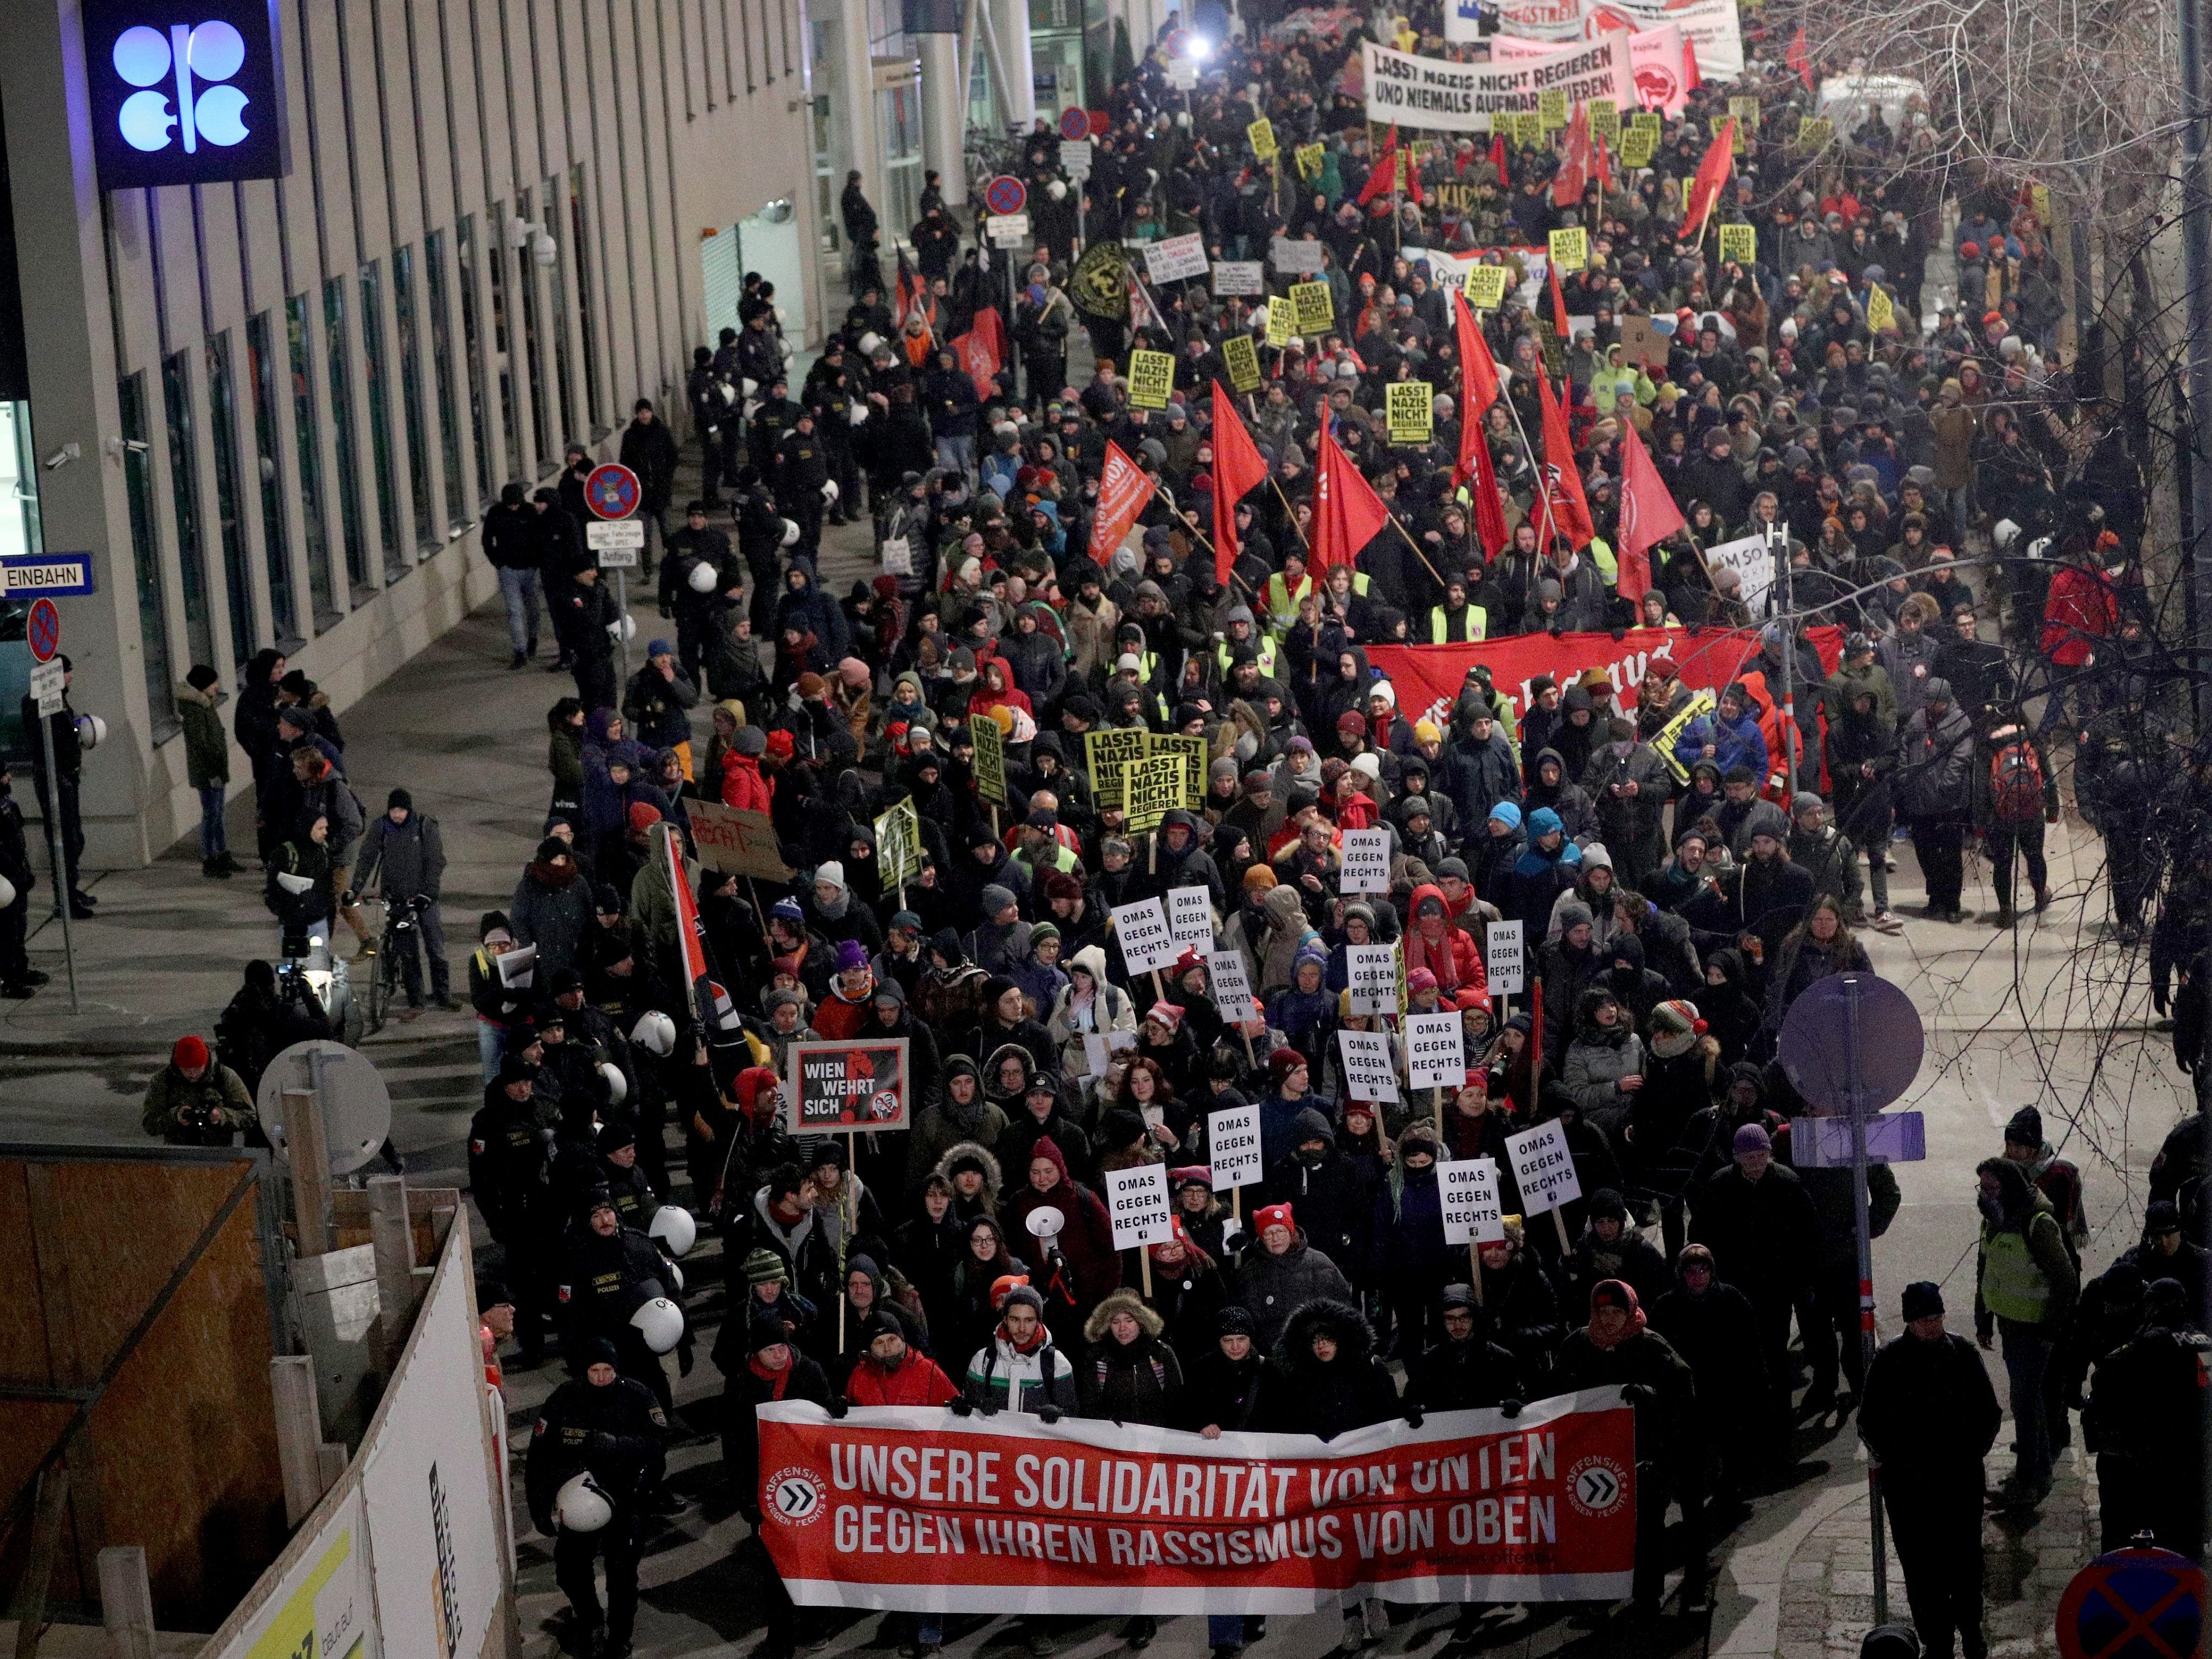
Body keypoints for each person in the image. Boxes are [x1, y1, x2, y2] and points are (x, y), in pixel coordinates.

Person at [1859, 1283, 2001, 1659]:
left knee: (1966, 1564)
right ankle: (1937, 1639)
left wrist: (1971, 1454)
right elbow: (1869, 1422)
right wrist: (1898, 1460)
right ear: (1910, 1322)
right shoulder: (1889, 1362)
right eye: (1926, 1320)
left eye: (1938, 1318)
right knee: (1922, 1569)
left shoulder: (1964, 1355)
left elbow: (1989, 1413)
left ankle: (1972, 1632)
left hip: (1959, 1481)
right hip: (1910, 1490)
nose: (1934, 1326)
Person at [525, 1337, 669, 1659]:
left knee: (622, 1578)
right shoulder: (564, 1399)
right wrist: (540, 1506)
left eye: (608, 1370)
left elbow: (657, 1444)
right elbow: (540, 1457)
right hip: (578, 1500)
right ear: (585, 1370)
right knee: (570, 1568)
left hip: (626, 1498)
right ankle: (590, 1619)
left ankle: (620, 1637)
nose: (602, 1377)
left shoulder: (638, 1395)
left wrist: (616, 1446)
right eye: (595, 1370)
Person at [1973, 1155, 2080, 1509]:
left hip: (2035, 1331)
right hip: (2010, 1325)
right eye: (1982, 1188)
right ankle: (2041, 1470)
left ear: (2010, 1188)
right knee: (2028, 1400)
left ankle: (2028, 1479)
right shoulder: (1993, 1221)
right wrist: (1984, 1318)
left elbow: (2067, 1282)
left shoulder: (2038, 1224)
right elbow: (1986, 1268)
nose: (1986, 1195)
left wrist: (2050, 1331)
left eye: (1992, 1188)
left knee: (2025, 1402)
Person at [353, 788, 456, 1014]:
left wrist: (427, 894)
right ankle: (416, 1000)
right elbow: (367, 857)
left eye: (401, 810)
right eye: (393, 810)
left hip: (424, 899)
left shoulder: (424, 825)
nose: (397, 815)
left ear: (409, 810)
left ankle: (443, 995)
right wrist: (354, 889)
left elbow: (435, 861)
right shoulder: (382, 827)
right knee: (407, 952)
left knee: (435, 946)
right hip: (397, 898)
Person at [21, 654, 93, 920]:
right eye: (67, 672)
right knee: (64, 840)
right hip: (54, 778)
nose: (71, 676)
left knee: (75, 838)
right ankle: (65, 899)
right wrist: (74, 734)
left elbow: (67, 733)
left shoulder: (59, 700)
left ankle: (71, 890)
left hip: (67, 776)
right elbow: (46, 739)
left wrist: (81, 732)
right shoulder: (37, 703)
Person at [179, 664, 241, 879]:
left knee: (217, 813)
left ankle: (221, 854)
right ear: (202, 685)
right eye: (213, 682)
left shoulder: (204, 706)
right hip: (209, 771)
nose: (216, 686)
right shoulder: (197, 711)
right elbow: (202, 744)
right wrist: (215, 768)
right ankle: (210, 858)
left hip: (214, 769)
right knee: (211, 814)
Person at [140, 1034, 257, 1145]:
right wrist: (175, 1117)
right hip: (178, 1154)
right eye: (186, 1069)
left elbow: (249, 1116)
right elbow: (150, 1123)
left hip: (219, 1155)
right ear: (177, 1065)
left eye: (197, 1068)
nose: (192, 1074)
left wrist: (221, 1116)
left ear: (206, 1064)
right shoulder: (163, 1081)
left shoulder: (224, 1076)